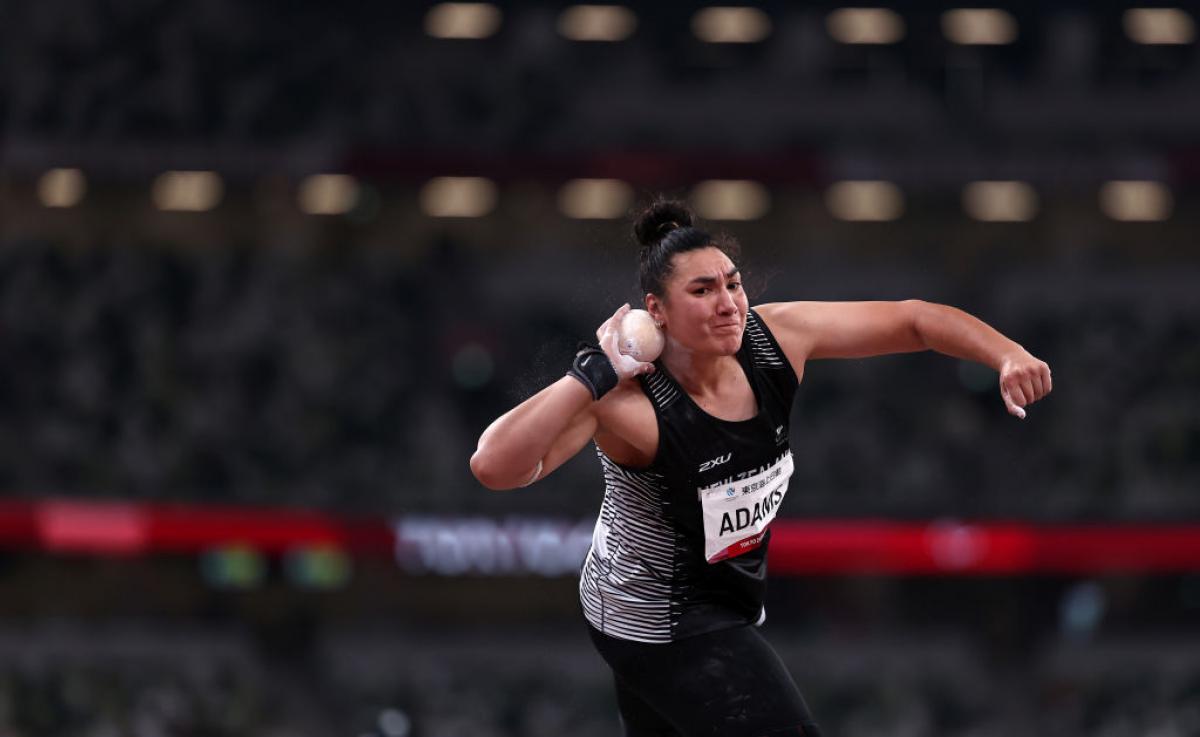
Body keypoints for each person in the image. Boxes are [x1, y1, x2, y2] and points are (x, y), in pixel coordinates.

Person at [470, 199, 1052, 737]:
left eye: (733, 283)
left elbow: (914, 320)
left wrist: (1006, 354)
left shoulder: (775, 339)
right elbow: (495, 466)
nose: (728, 303)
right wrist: (591, 374)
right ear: (657, 312)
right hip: (659, 622)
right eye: (702, 290)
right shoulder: (629, 405)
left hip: (719, 602)